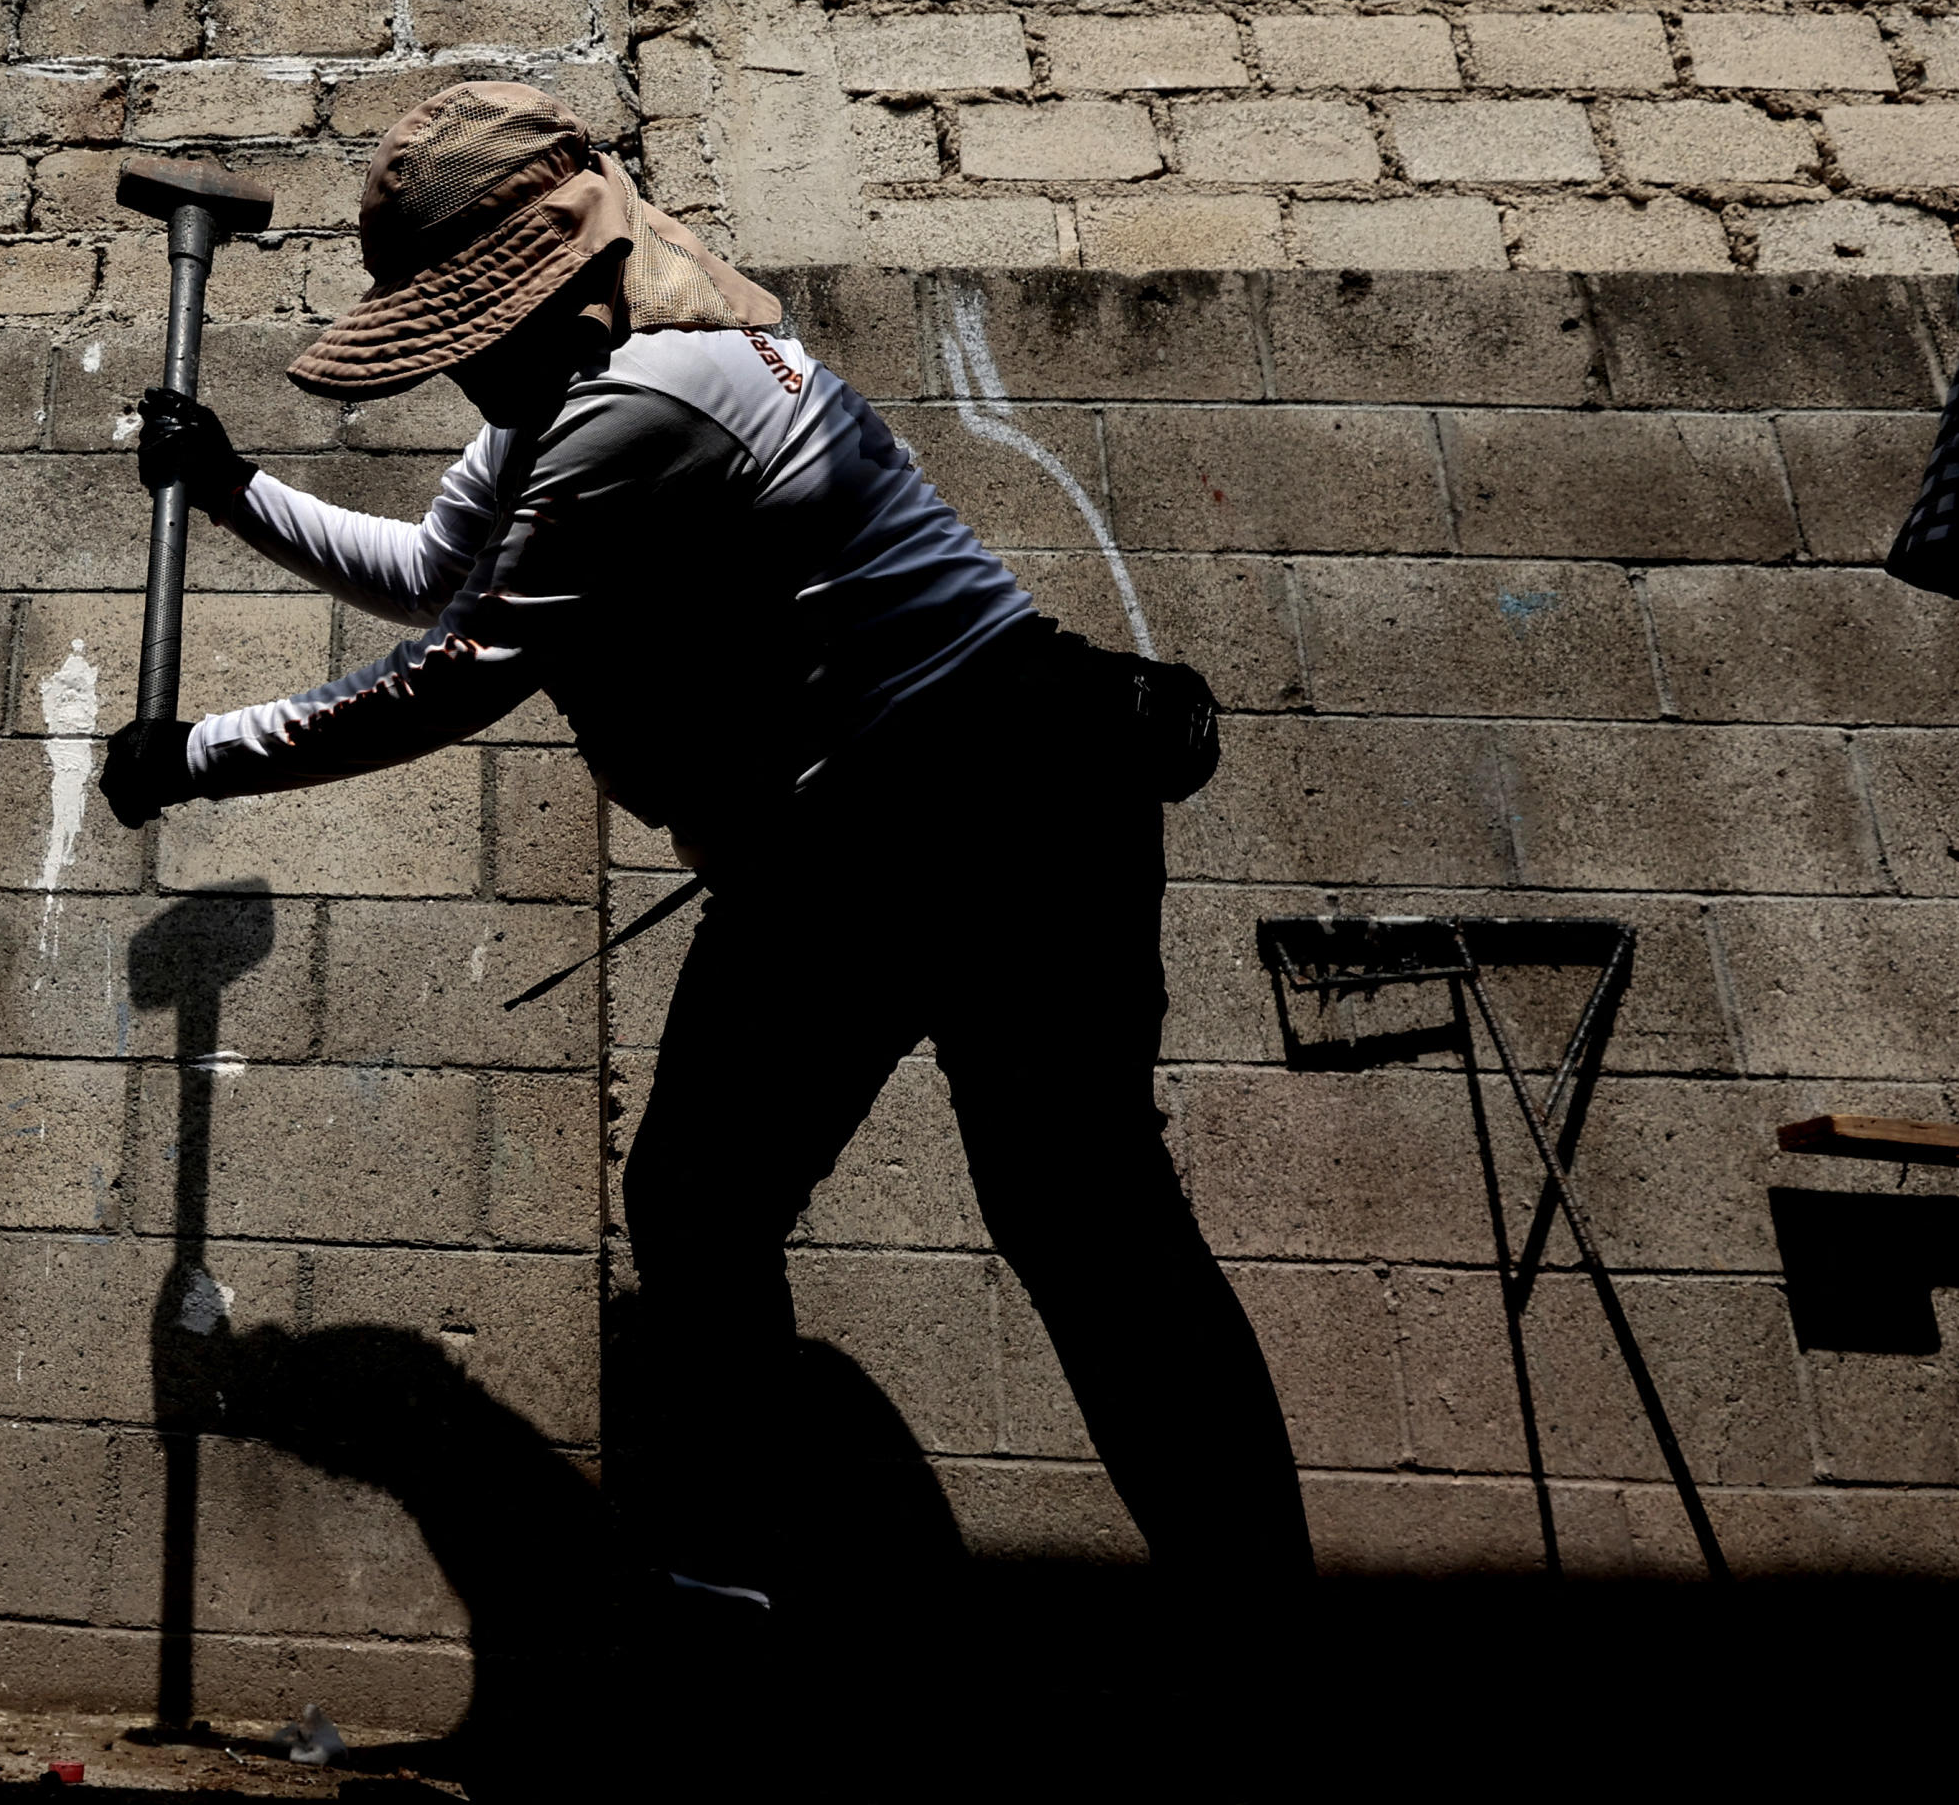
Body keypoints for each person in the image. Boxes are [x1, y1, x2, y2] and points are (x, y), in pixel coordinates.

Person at [100, 82, 1312, 1613]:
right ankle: (764, 1577)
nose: (462, 356)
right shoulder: (571, 391)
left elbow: (454, 674)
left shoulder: (646, 401)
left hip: (989, 788)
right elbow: (429, 571)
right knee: (711, 1197)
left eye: (466, 321)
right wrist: (230, 489)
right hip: (861, 829)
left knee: (1078, 1218)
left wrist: (195, 753)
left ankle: (1255, 1637)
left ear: (545, 279)